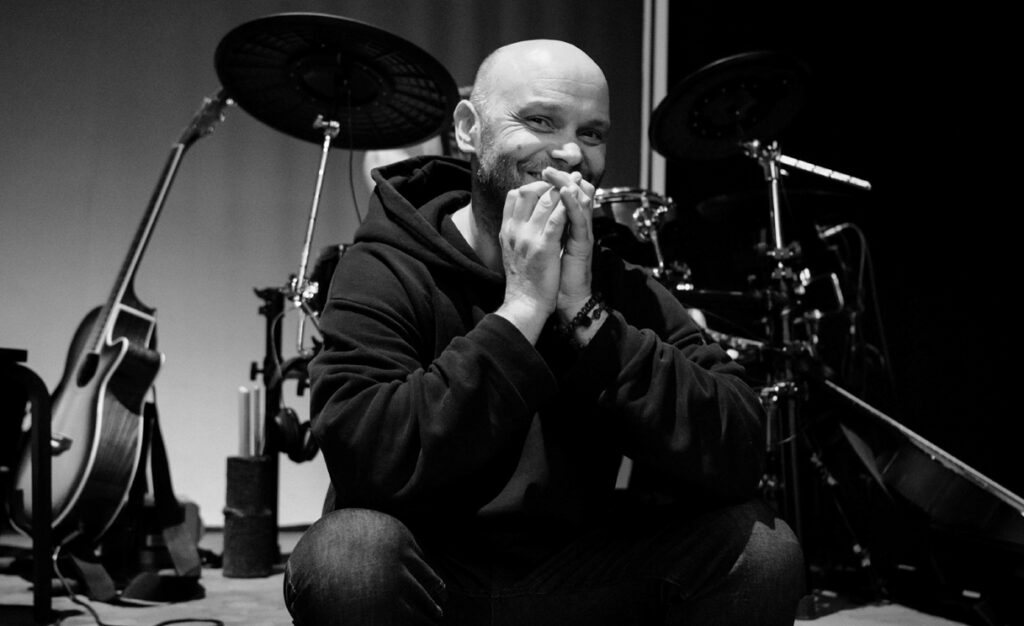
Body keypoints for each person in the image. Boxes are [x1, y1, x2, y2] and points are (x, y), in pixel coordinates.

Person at [283, 39, 805, 625]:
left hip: (579, 574)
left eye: (592, 133)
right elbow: (367, 459)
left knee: (759, 549)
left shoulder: (613, 281)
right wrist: (523, 310)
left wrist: (583, 315)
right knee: (348, 556)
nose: (570, 154)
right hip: (432, 576)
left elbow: (739, 445)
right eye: (540, 121)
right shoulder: (386, 266)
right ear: (468, 128)